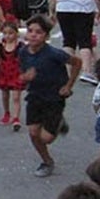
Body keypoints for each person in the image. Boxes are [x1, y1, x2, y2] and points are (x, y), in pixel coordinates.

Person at [19, 15, 83, 178]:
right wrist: (25, 78)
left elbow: (77, 62)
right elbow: (22, 75)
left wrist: (68, 85)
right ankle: (47, 161)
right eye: (31, 31)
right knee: (33, 133)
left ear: (46, 37)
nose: (33, 35)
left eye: (39, 32)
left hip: (54, 98)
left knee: (46, 138)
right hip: (34, 96)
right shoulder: (23, 53)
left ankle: (59, 122)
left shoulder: (54, 54)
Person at [0, 21, 27, 131]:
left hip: (16, 74)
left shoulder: (21, 46)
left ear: (16, 33)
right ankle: (7, 112)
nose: (8, 36)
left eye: (10, 33)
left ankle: (16, 118)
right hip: (5, 73)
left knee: (16, 97)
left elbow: (26, 59)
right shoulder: (1, 46)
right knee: (5, 95)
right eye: (5, 33)